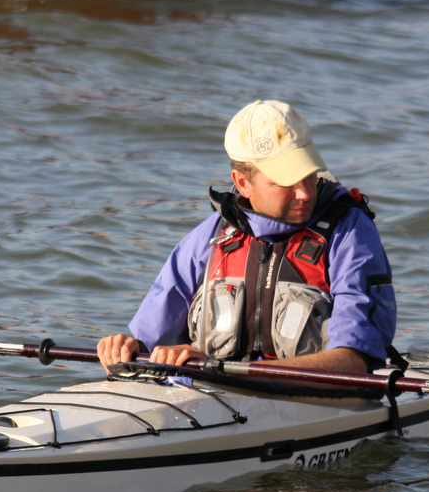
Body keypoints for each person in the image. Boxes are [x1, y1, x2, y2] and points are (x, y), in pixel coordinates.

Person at [97, 100, 396, 374]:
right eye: (286, 181)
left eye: (308, 174)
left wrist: (219, 369)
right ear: (243, 183)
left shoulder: (350, 234)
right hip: (215, 394)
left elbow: (353, 361)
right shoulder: (212, 237)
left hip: (315, 401)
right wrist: (125, 348)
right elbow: (147, 345)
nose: (305, 192)